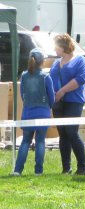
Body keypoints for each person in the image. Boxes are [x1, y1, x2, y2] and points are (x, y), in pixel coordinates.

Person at [50, 33, 85, 175]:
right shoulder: (56, 62)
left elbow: (80, 79)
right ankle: (66, 168)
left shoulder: (80, 60)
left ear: (63, 46)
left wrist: (62, 91)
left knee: (72, 132)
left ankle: (82, 167)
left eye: (56, 46)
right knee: (63, 134)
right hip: (58, 103)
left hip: (74, 100)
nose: (54, 49)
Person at [12, 48, 54, 176]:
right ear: (42, 62)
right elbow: (51, 96)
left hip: (28, 113)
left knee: (25, 141)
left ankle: (18, 170)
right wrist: (48, 107)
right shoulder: (46, 76)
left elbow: (22, 95)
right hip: (43, 112)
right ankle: (38, 171)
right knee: (40, 141)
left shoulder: (24, 76)